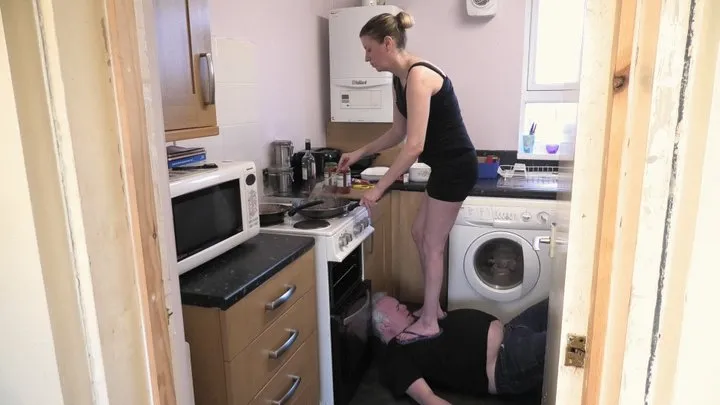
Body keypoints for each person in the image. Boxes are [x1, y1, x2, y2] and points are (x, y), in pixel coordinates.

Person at [337, 11, 478, 344]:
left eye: (369, 49)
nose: (366, 58)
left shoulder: (418, 76)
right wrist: (359, 153)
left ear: (388, 43)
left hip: (456, 166)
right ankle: (434, 310)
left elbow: (414, 146)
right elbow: (398, 132)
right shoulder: (398, 80)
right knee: (420, 233)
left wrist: (379, 188)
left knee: (432, 243)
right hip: (445, 167)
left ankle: (430, 320)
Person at [372, 293, 548, 405]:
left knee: (563, 298)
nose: (403, 306)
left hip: (513, 329)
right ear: (385, 325)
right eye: (397, 307)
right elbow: (427, 398)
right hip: (506, 361)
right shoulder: (395, 354)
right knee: (571, 344)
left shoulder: (419, 323)